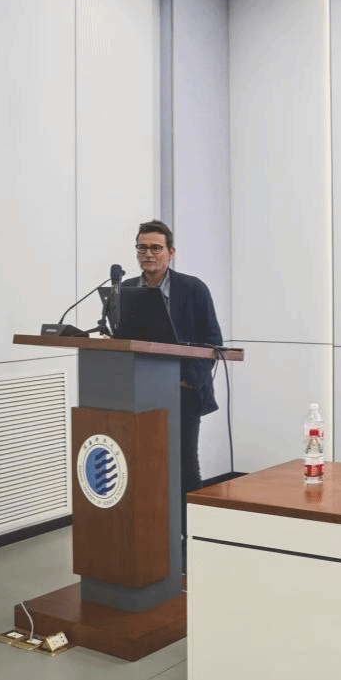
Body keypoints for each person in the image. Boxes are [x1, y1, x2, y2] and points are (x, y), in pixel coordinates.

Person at [123, 220, 223, 554]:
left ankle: (194, 540)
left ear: (171, 252)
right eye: (142, 247)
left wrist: (187, 379)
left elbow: (213, 343)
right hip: (140, 392)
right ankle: (155, 536)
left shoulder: (193, 289)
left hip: (183, 392)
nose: (148, 254)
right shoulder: (126, 289)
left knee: (184, 465)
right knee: (145, 466)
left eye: (156, 248)